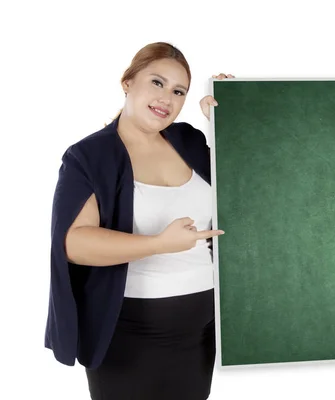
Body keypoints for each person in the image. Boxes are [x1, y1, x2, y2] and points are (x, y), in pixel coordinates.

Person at [43, 41, 234, 400]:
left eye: (179, 91)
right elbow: (74, 243)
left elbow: (250, 188)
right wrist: (159, 245)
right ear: (128, 82)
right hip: (127, 334)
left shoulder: (189, 140)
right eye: (157, 83)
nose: (167, 98)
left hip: (200, 333)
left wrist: (233, 119)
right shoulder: (89, 155)